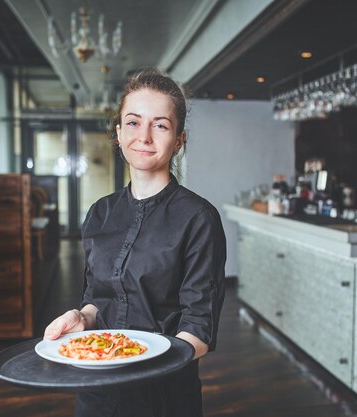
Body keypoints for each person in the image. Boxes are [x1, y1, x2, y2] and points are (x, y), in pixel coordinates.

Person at [44, 68, 227, 417]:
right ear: (118, 132)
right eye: (133, 122)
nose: (143, 136)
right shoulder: (99, 213)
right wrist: (79, 318)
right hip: (97, 391)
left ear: (179, 140)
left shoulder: (199, 218)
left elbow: (199, 327)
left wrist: (139, 360)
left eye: (160, 124)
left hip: (163, 397)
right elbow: (97, 301)